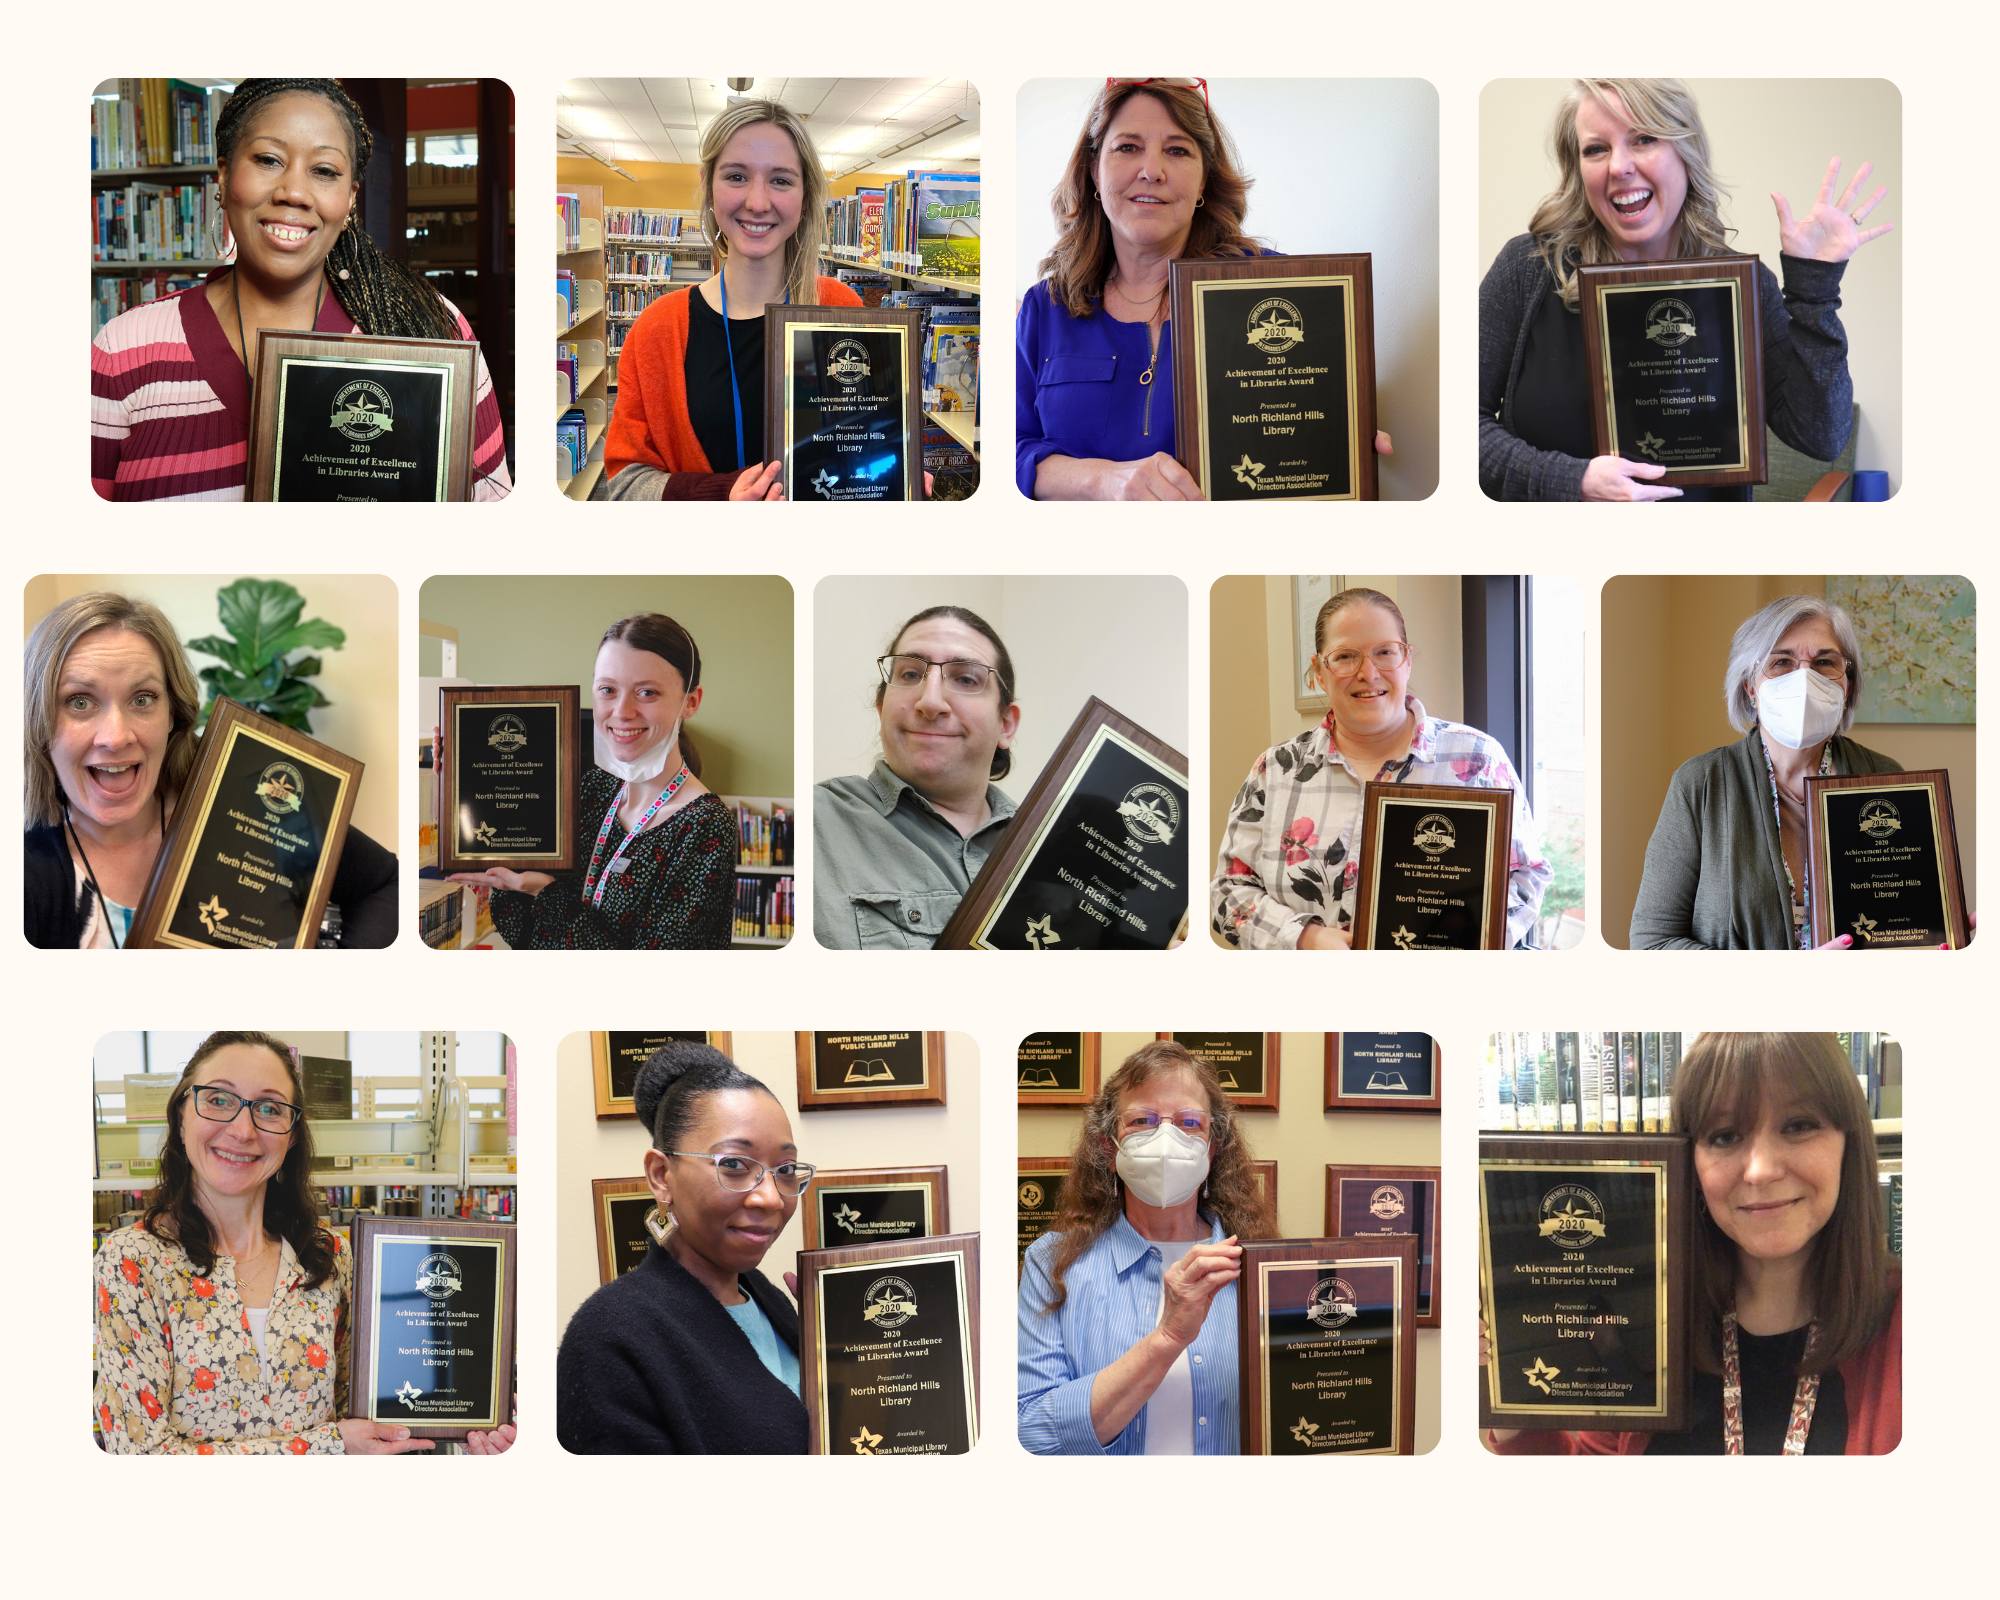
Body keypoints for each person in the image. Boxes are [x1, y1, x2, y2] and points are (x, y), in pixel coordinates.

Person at [93, 1031, 517, 1454]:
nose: (243, 1130)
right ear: (181, 1117)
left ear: (292, 1135)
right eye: (218, 1099)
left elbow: (360, 1410)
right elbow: (138, 1455)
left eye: (269, 1108)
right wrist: (326, 1449)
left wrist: (468, 1428)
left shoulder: (328, 1256)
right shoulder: (131, 1261)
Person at [90, 77, 510, 502]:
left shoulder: (431, 329)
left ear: (350, 200)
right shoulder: (123, 348)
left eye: (324, 171)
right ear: (223, 175)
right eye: (269, 159)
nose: (293, 192)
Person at [1479, 77, 1892, 502]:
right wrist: (1570, 481)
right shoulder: (1527, 269)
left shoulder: (1739, 289)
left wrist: (1814, 287)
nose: (1618, 166)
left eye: (1643, 139)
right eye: (1596, 149)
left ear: (1685, 151)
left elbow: (1821, 437)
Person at [1485, 1032, 1900, 1454]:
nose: (1759, 1171)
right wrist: (1507, 1396)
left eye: (1798, 1126)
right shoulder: (1653, 1316)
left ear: (1849, 1143)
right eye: (1724, 1136)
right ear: (1689, 1163)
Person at [1017, 78, 1390, 501]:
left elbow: (1312, 415)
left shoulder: (1272, 287)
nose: (1151, 171)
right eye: (1128, 147)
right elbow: (1013, 449)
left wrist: (1337, 435)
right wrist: (1102, 480)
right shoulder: (1045, 308)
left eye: (1177, 151)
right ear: (1093, 171)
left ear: (1204, 181)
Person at [24, 592, 397, 949]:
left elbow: (387, 884)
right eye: (79, 702)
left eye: (143, 699)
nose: (116, 737)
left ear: (173, 712)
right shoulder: (28, 871)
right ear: (39, 722)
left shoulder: (240, 790)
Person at [1211, 587, 1551, 949]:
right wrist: (1305, 938)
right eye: (1345, 656)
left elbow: (1528, 875)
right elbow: (1227, 893)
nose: (1368, 673)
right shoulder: (1275, 770)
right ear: (1319, 673)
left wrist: (1468, 938)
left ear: (1407, 661)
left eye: (1385, 652)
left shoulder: (1478, 758)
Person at [1018, 1040, 1275, 1455]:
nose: (1166, 1138)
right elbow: (1029, 1431)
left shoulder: (1263, 1267)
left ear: (1212, 1147)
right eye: (1142, 1121)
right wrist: (1168, 1336)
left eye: (1190, 1122)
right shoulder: (1050, 1264)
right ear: (1108, 1145)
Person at [557, 1041, 813, 1453]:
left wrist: (841, 1344)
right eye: (733, 1164)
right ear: (661, 1175)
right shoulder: (611, 1337)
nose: (771, 1197)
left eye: (784, 1170)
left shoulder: (772, 1303)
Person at [1629, 594, 1909, 950]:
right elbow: (1651, 942)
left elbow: (1903, 920)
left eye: (1824, 662)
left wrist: (1935, 932)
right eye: (1781, 662)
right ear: (1750, 688)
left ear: (1847, 685)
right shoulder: (1700, 784)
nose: (1804, 679)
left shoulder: (1884, 777)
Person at [447, 614, 736, 950]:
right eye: (607, 690)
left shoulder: (705, 828)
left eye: (646, 692)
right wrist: (461, 777)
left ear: (691, 702)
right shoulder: (592, 790)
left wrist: (546, 892)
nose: (622, 711)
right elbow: (521, 928)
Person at [814, 605, 1021, 949]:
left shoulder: (1055, 849)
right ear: (881, 708)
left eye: (966, 678)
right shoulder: (812, 825)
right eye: (911, 674)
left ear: (1006, 724)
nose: (931, 701)